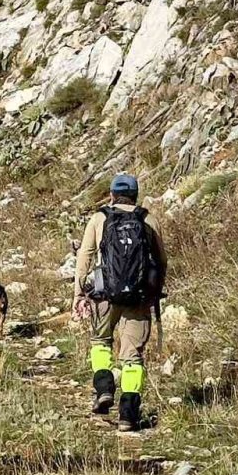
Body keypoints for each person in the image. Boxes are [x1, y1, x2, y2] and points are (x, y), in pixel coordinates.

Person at [74, 172, 168, 433]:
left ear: (113, 195)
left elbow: (85, 258)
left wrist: (79, 295)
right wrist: (155, 291)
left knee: (101, 342)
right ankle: (128, 414)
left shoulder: (99, 218)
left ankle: (103, 388)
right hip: (138, 296)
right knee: (132, 356)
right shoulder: (147, 219)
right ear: (135, 196)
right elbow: (161, 262)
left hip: (105, 295)